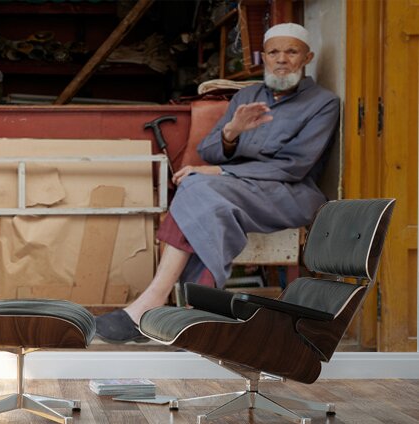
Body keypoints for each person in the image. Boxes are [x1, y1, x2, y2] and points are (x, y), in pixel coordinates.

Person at [94, 23, 340, 343]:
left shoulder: (323, 102)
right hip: (231, 191)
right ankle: (196, 314)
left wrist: (223, 173)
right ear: (262, 57)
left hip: (287, 193)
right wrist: (231, 132)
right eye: (274, 52)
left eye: (291, 52)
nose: (282, 59)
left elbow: (294, 167)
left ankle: (153, 303)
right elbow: (209, 151)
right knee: (202, 194)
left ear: (307, 57)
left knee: (197, 187)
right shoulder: (248, 95)